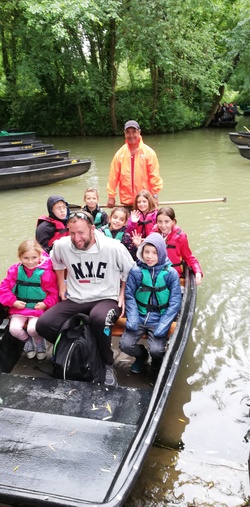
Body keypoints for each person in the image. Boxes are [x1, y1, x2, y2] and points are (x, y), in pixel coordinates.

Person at [36, 210, 135, 387]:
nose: (76, 238)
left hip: (106, 297)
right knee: (43, 324)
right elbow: (57, 262)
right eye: (72, 232)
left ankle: (107, 363)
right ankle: (83, 350)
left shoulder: (113, 247)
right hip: (76, 298)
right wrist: (61, 284)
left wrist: (122, 293)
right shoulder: (61, 245)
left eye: (81, 232)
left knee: (99, 319)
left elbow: (130, 271)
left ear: (92, 228)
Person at [119, 233, 182, 375]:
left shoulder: (170, 273)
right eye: (146, 252)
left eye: (154, 253)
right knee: (125, 345)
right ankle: (141, 356)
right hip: (140, 315)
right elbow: (129, 295)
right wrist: (133, 318)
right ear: (141, 252)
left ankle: (156, 360)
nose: (149, 256)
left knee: (157, 350)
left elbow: (175, 301)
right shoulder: (136, 271)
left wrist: (164, 324)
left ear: (161, 253)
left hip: (159, 318)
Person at [0, 240, 59, 360]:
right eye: (26, 258)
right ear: (20, 257)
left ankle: (39, 342)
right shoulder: (15, 270)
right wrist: (13, 302)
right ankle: (27, 341)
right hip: (20, 308)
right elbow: (3, 288)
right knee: (14, 329)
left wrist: (44, 304)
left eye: (34, 257)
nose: (30, 261)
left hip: (38, 309)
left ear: (40, 256)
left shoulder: (46, 273)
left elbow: (53, 293)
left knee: (33, 329)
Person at [106, 120, 163, 208]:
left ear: (139, 132)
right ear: (124, 133)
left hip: (144, 201)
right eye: (128, 132)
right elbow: (113, 177)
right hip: (126, 202)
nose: (131, 135)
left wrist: (155, 195)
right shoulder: (119, 154)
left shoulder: (149, 153)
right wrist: (111, 196)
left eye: (134, 132)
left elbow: (154, 176)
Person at [153, 207, 203, 284]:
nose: (163, 225)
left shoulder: (180, 237)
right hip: (156, 271)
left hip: (173, 274)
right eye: (160, 221)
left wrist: (198, 271)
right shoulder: (154, 233)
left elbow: (188, 257)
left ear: (173, 222)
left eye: (166, 221)